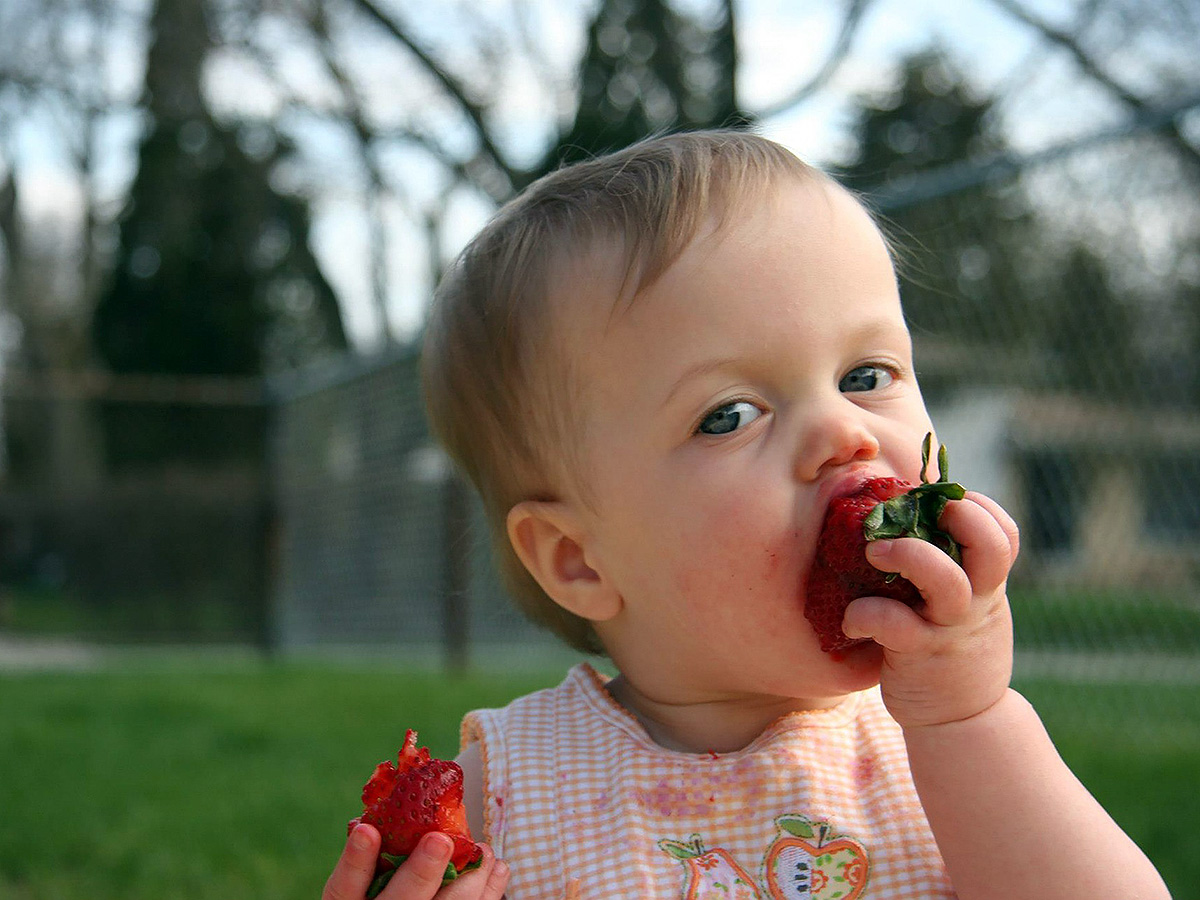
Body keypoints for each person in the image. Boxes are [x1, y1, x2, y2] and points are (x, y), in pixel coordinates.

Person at [323, 130, 1169, 900]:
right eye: (728, 416)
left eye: (867, 375)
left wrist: (971, 721)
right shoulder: (505, 796)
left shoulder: (944, 749)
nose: (845, 433)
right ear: (580, 558)